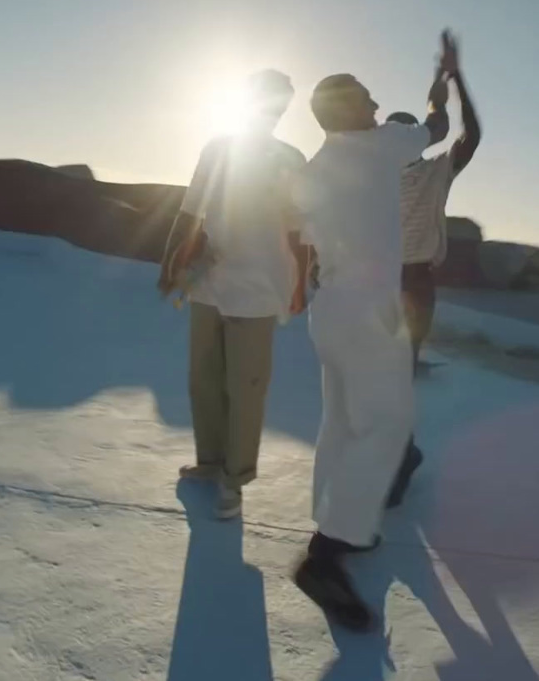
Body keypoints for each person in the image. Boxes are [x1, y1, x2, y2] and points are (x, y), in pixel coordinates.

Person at [289, 40, 452, 631]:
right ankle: (327, 554)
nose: (380, 104)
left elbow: (300, 235)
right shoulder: (383, 145)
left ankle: (340, 527)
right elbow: (437, 125)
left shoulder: (314, 169)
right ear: (348, 113)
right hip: (369, 310)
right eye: (367, 98)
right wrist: (443, 80)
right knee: (384, 425)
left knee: (342, 421)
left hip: (328, 308)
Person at [158, 69, 311, 521]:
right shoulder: (218, 147)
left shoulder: (290, 158)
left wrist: (301, 281)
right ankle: (210, 462)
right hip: (210, 281)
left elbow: (299, 227)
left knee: (246, 386)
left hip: (261, 286)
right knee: (202, 378)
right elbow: (190, 208)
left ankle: (235, 478)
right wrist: (174, 261)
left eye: (278, 103)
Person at [381, 34, 482, 508]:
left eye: (407, 134)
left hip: (414, 283)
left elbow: (467, 135)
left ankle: (399, 461)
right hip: (374, 282)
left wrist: (452, 78)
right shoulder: (370, 177)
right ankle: (399, 453)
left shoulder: (434, 172)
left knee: (398, 376)